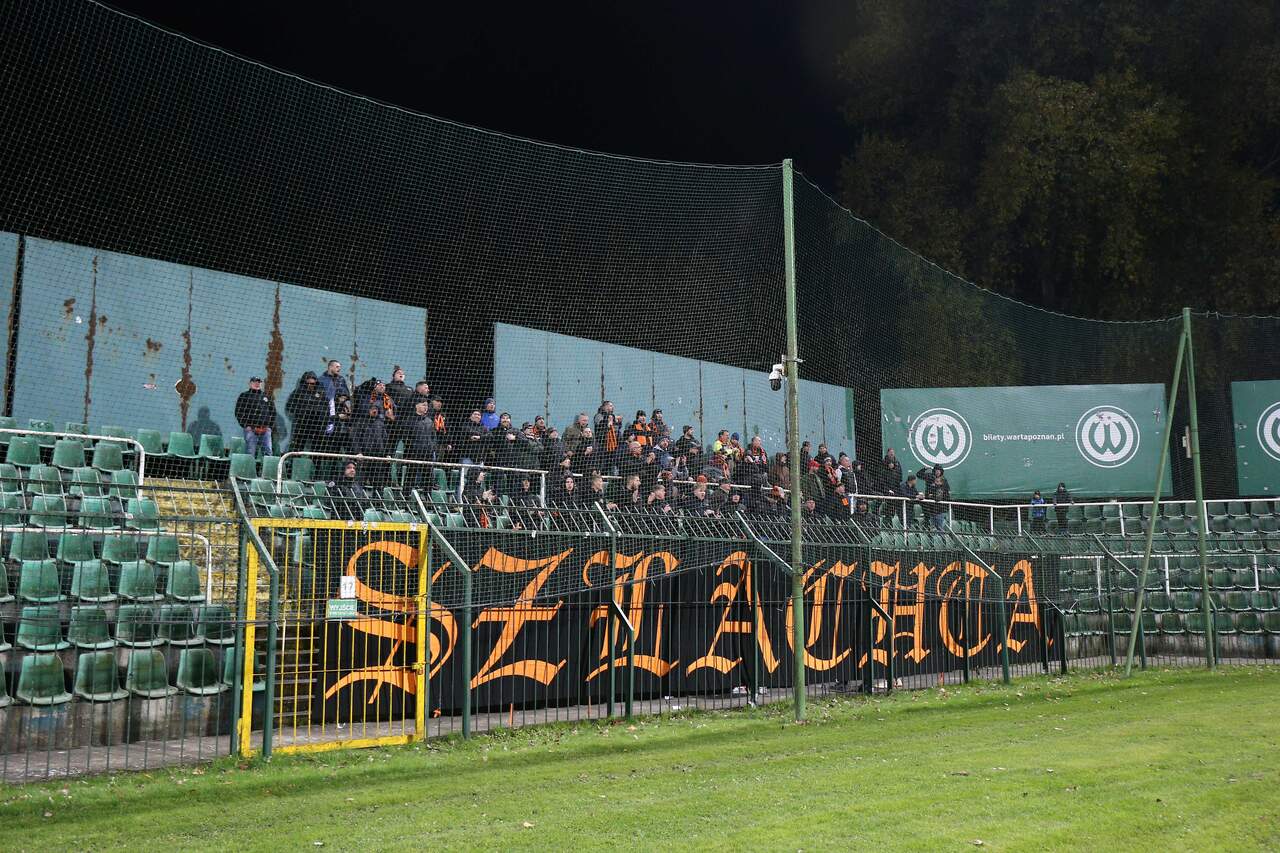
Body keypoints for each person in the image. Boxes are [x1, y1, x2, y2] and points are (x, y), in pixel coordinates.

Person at [351, 377, 394, 488]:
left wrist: (388, 453)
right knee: (360, 482)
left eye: (376, 409)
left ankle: (377, 498)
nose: (374, 411)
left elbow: (386, 440)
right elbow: (355, 438)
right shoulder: (360, 423)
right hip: (364, 456)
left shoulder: (380, 424)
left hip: (378, 456)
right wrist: (358, 452)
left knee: (378, 483)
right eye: (372, 409)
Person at [284, 371, 327, 454]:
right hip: (302, 423)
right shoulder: (298, 392)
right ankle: (294, 459)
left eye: (313, 383)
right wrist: (301, 412)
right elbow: (290, 406)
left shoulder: (320, 392)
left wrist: (322, 416)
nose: (311, 385)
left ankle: (315, 461)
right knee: (298, 444)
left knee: (317, 445)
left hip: (316, 423)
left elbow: (325, 406)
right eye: (308, 383)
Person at [235, 376, 277, 458]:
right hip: (251, 429)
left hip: (265, 430)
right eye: (254, 382)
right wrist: (246, 425)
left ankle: (266, 467)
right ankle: (249, 466)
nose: (257, 384)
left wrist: (269, 426)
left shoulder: (266, 396)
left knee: (268, 452)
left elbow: (273, 412)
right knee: (250, 452)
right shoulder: (244, 396)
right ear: (250, 383)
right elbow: (238, 412)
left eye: (259, 382)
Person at [404, 400, 437, 490]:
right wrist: (412, 446)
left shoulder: (429, 421)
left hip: (427, 453)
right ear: (416, 406)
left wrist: (432, 447)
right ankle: (406, 495)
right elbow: (406, 437)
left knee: (428, 477)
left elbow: (433, 437)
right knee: (410, 475)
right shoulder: (410, 420)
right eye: (423, 405)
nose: (426, 407)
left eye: (426, 406)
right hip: (414, 453)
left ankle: (427, 496)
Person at [594, 402, 621, 473]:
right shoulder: (599, 415)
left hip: (613, 444)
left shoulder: (612, 416)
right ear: (605, 407)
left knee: (611, 464)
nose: (612, 407)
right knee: (603, 464)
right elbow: (600, 426)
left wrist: (618, 422)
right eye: (610, 406)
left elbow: (616, 428)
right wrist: (608, 420)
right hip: (602, 444)